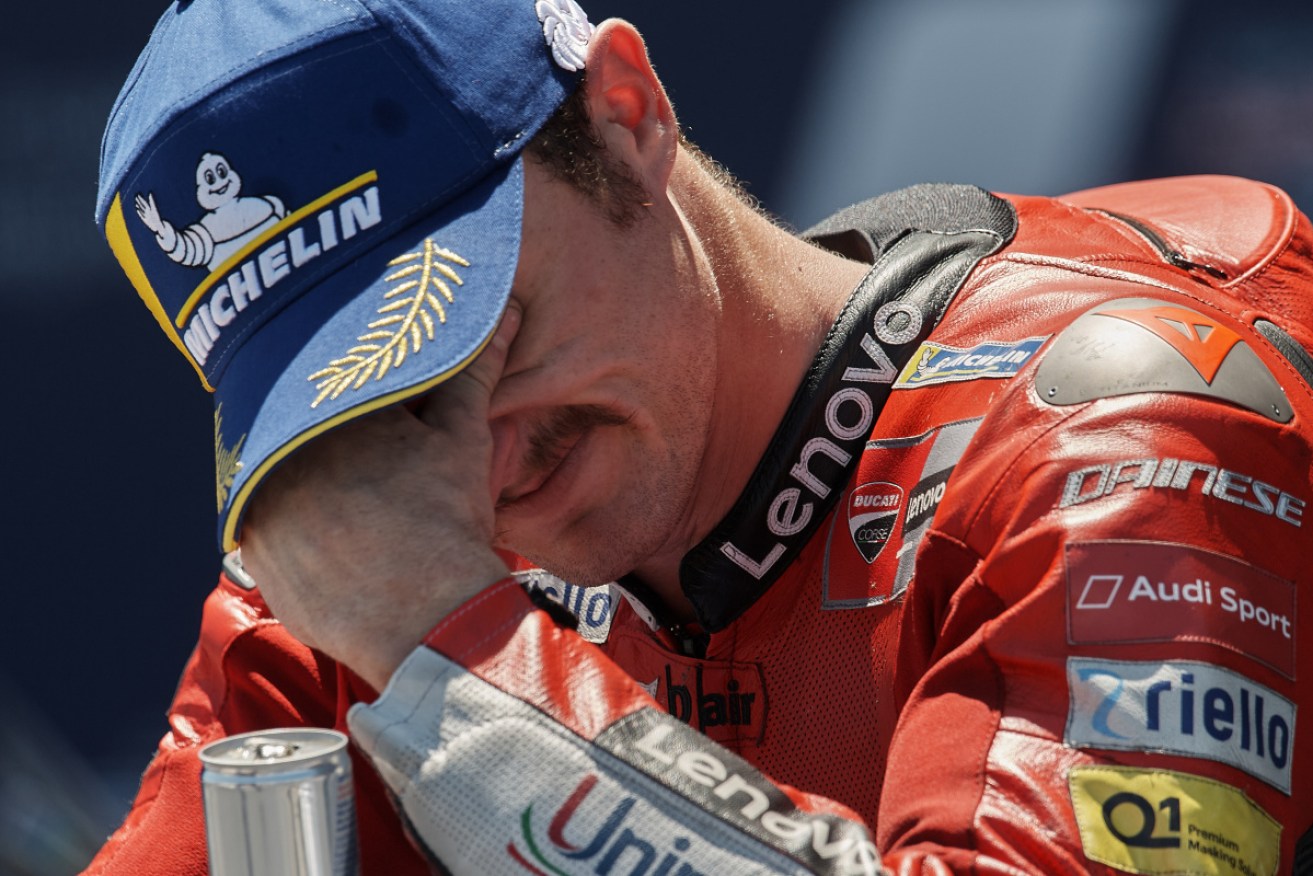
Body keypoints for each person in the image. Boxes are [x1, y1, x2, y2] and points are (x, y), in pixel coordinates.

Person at [89, 0, 1313, 873]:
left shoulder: (1133, 429)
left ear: (628, 115)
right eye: (366, 411)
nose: (482, 460)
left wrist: (450, 657)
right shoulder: (372, 551)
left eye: (485, 338)